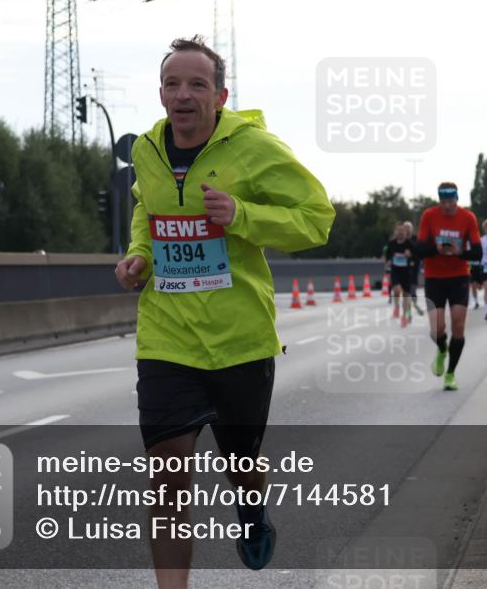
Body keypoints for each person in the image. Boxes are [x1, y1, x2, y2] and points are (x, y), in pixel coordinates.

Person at [114, 35, 335, 589]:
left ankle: (253, 514)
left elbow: (316, 217)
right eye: (172, 84)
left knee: (242, 466)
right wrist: (139, 254)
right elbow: (147, 207)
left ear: (220, 95)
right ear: (161, 94)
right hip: (167, 336)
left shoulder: (255, 148)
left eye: (197, 84)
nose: (183, 94)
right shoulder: (147, 149)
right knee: (167, 473)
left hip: (240, 338)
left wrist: (242, 214)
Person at [417, 182, 481, 391]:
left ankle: (450, 373)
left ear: (456, 199)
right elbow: (418, 249)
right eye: (443, 202)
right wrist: (435, 249)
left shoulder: (468, 217)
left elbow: (478, 253)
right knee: (437, 329)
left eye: (450, 202)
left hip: (459, 277)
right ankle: (442, 349)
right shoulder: (429, 215)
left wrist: (459, 252)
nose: (446, 206)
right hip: (434, 277)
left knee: (458, 326)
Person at [385, 220, 415, 327]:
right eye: (398, 230)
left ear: (405, 232)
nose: (400, 232)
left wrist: (410, 255)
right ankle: (396, 307)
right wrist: (388, 260)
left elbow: (416, 256)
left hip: (406, 272)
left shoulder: (409, 244)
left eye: (402, 230)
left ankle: (405, 316)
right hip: (395, 271)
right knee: (397, 290)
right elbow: (387, 254)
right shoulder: (391, 243)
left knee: (406, 295)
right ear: (395, 232)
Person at [402, 220, 425, 316]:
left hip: (414, 266)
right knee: (405, 291)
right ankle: (407, 312)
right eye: (405, 228)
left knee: (413, 288)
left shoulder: (416, 239)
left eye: (408, 228)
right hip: (402, 268)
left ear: (411, 230)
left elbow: (419, 252)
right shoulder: (400, 240)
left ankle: (415, 304)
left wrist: (411, 255)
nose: (407, 230)